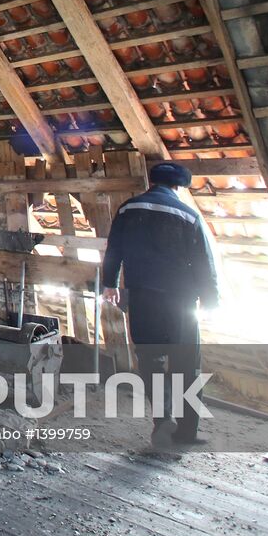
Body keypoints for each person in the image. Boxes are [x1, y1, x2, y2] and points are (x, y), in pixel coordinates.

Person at [101, 161, 219, 447]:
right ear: (178, 186)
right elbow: (203, 260)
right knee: (186, 365)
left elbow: (114, 248)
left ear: (151, 182)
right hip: (180, 303)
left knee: (150, 360)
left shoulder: (128, 209)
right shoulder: (188, 215)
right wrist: (211, 298)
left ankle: (162, 420)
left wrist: (110, 284)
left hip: (141, 299)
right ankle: (186, 432)